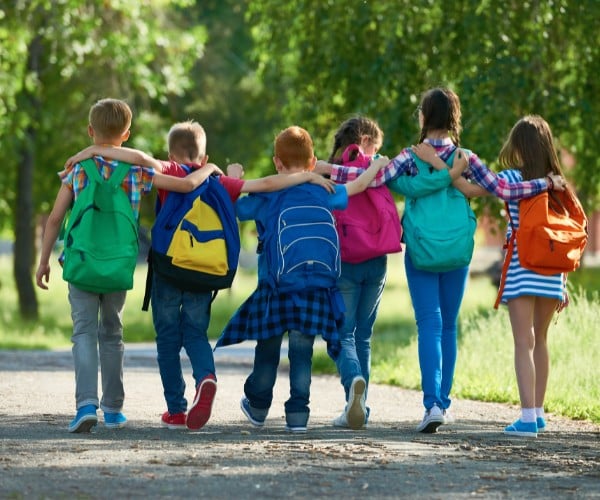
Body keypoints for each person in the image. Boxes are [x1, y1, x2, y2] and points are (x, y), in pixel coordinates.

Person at [317, 87, 565, 434]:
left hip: (421, 250)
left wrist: (327, 168)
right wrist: (546, 182)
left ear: (423, 117)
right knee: (449, 326)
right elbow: (504, 190)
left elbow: (367, 178)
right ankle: (443, 404)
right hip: (457, 252)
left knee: (430, 326)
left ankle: (432, 403)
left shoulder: (408, 157)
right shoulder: (467, 157)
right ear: (454, 119)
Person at [66, 120, 335, 431]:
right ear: (204, 159)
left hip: (169, 268)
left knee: (167, 338)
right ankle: (206, 376)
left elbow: (138, 158)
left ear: (170, 153)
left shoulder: (170, 172)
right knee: (195, 332)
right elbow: (264, 185)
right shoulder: (219, 181)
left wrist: (89, 150)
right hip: (204, 272)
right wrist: (308, 176)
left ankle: (176, 410)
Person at [35, 98, 226, 433]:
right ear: (126, 134)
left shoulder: (76, 170)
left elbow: (54, 219)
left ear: (90, 131)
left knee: (83, 332)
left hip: (81, 264)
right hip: (119, 267)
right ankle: (113, 410)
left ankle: (85, 406)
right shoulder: (138, 172)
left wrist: (43, 261)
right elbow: (184, 185)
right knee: (112, 333)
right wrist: (209, 169)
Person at [215, 125, 387, 433]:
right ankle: (298, 414)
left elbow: (232, 208)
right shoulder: (323, 189)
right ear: (312, 163)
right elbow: (358, 187)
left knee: (267, 349)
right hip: (316, 286)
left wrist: (235, 175)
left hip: (275, 286)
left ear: (276, 163)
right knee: (301, 351)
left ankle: (257, 405)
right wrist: (376, 165)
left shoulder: (267, 195)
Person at [453, 115, 568, 438]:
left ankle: (527, 418)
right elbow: (563, 233)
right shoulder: (558, 183)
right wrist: (565, 282)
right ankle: (539, 414)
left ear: (519, 146)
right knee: (541, 341)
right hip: (553, 270)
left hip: (522, 267)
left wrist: (456, 167)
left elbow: (479, 188)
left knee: (523, 342)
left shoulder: (511, 179)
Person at [321, 116, 390, 430]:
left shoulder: (330, 171)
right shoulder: (380, 168)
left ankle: (353, 386)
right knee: (363, 335)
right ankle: (360, 405)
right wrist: (376, 163)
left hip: (346, 256)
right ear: (365, 141)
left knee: (343, 332)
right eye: (374, 146)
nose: (376, 152)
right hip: (376, 256)